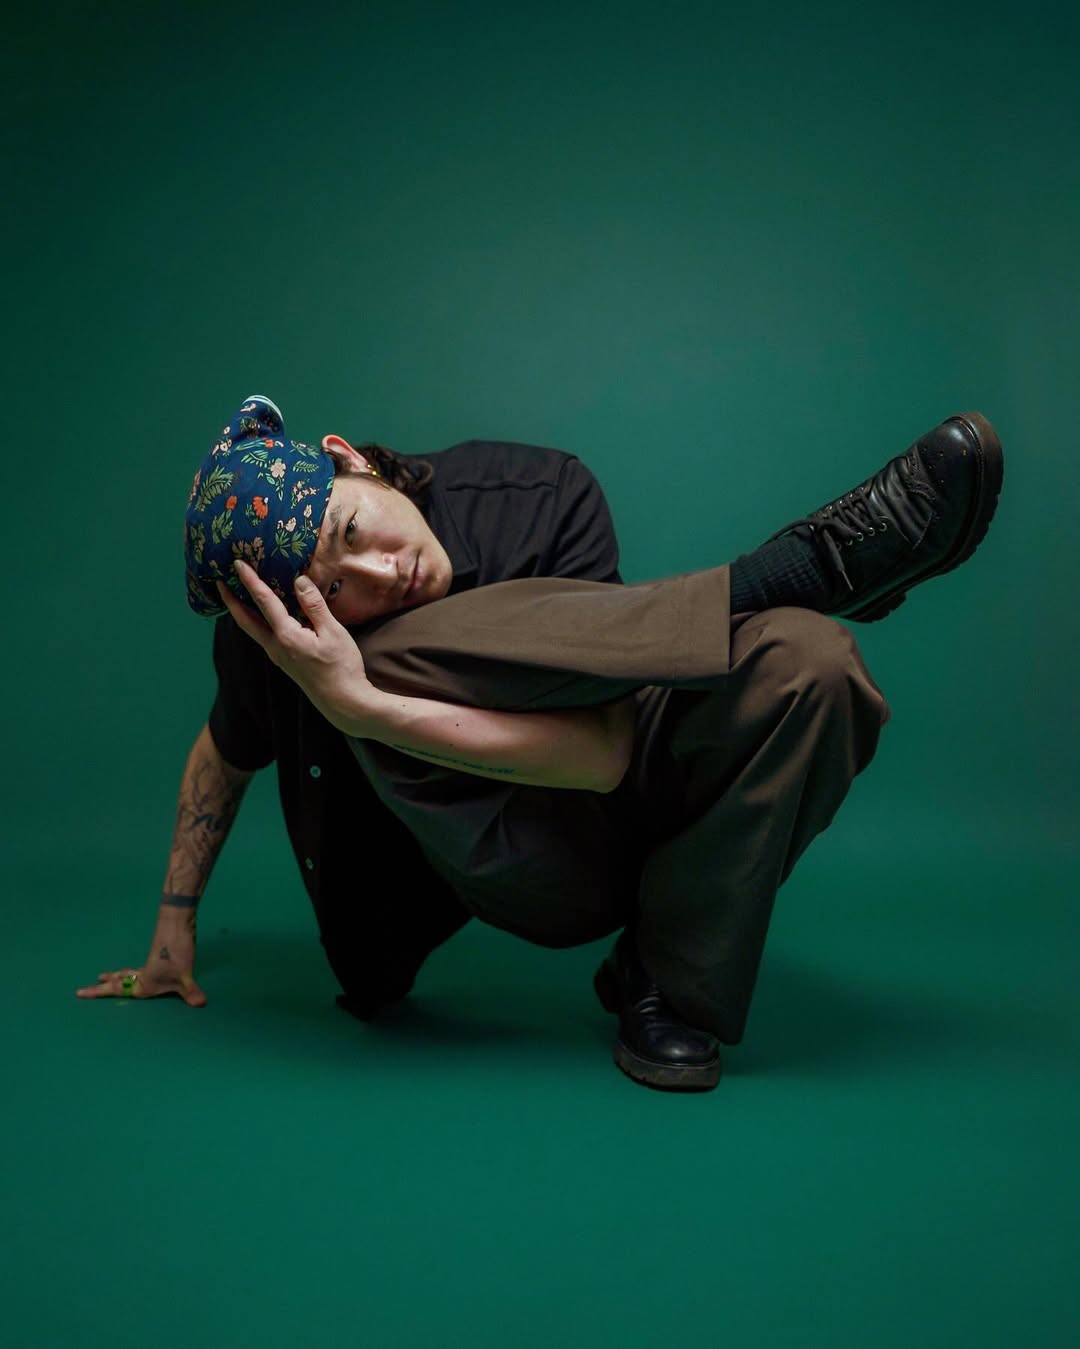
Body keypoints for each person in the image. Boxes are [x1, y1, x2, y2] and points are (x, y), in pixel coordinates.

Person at [77, 395, 1004, 1091]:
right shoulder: (285, 639)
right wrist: (176, 924)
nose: (381, 571)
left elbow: (610, 745)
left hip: (633, 800)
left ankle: (663, 980)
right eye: (336, 584)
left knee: (817, 662)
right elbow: (225, 752)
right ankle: (791, 570)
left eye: (352, 529)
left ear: (349, 459)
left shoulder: (535, 491)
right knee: (371, 654)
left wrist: (361, 700)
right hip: (505, 858)